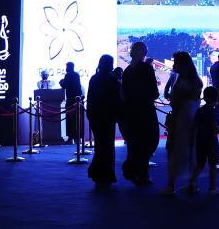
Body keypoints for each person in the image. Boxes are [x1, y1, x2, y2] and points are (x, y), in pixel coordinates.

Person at [161, 51, 202, 195]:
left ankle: (171, 185)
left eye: (175, 62)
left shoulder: (182, 82)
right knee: (192, 150)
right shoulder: (195, 81)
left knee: (173, 149)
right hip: (191, 119)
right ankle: (192, 183)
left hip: (181, 119)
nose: (173, 65)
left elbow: (177, 103)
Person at [120, 42, 159, 186]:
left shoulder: (127, 71)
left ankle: (134, 170)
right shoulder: (146, 68)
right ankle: (141, 173)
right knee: (148, 141)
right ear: (144, 53)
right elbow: (154, 92)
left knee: (135, 143)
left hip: (131, 113)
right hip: (145, 111)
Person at [86, 55, 122, 186]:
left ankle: (98, 174)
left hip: (95, 116)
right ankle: (105, 175)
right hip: (108, 117)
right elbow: (118, 99)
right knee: (107, 146)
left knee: (100, 145)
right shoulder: (112, 80)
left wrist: (90, 114)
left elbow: (90, 98)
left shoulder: (94, 78)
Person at [187, 86, 219, 195]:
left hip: (200, 139)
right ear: (216, 98)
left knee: (200, 163)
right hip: (211, 140)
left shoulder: (200, 110)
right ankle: (212, 188)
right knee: (212, 164)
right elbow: (214, 127)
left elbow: (194, 126)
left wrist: (191, 139)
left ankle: (192, 183)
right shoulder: (213, 111)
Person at [60, 61, 84, 143]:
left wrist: (61, 82)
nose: (66, 68)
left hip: (71, 100)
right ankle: (78, 137)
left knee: (70, 119)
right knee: (77, 119)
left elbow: (64, 85)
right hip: (77, 99)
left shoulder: (68, 75)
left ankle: (70, 137)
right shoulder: (77, 74)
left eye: (67, 67)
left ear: (69, 67)